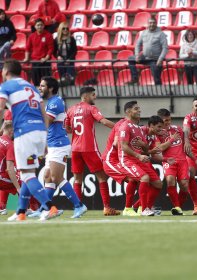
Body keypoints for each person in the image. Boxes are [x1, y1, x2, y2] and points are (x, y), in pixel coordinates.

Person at [0, 59, 61, 221]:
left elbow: (0, 109)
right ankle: (21, 211)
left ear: (5, 72)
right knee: (29, 172)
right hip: (40, 133)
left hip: (24, 134)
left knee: (26, 174)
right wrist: (45, 139)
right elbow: (43, 112)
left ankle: (50, 207)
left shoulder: (6, 86)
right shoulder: (32, 88)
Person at [37, 76, 87, 219]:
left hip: (59, 144)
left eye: (42, 86)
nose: (40, 88)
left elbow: (47, 121)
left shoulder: (56, 102)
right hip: (53, 144)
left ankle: (79, 206)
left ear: (51, 88)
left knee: (55, 176)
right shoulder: (51, 102)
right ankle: (44, 209)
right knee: (47, 177)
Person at [65, 86, 119, 216]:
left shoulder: (71, 110)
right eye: (93, 95)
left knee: (77, 179)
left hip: (75, 149)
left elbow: (67, 129)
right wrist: (119, 127)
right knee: (102, 177)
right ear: (85, 96)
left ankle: (77, 208)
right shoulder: (91, 108)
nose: (95, 97)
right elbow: (103, 121)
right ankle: (106, 207)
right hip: (89, 148)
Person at [157, 108, 197, 215]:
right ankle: (177, 207)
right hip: (169, 161)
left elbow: (186, 148)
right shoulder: (157, 133)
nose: (168, 122)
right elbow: (159, 148)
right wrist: (171, 140)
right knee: (170, 180)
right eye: (166, 121)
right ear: (160, 121)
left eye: (169, 120)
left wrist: (195, 159)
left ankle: (178, 208)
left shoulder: (178, 129)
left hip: (182, 161)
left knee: (184, 185)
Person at [118, 101, 163, 216]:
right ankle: (142, 209)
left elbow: (145, 147)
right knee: (144, 177)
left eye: (139, 108)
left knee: (158, 183)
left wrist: (144, 147)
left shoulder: (138, 128)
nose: (139, 110)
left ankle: (137, 207)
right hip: (127, 160)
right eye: (136, 109)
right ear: (128, 111)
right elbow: (123, 146)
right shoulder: (125, 126)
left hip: (139, 159)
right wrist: (139, 155)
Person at [128, 17, 168, 85]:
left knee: (156, 78)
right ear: (148, 24)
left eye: (153, 23)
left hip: (155, 59)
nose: (152, 24)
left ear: (156, 24)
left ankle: (160, 92)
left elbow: (165, 48)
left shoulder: (161, 34)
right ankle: (135, 78)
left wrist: (160, 59)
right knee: (131, 59)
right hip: (145, 57)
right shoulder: (144, 33)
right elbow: (138, 44)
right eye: (150, 23)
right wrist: (137, 55)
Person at [23, 18, 54, 87]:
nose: (39, 26)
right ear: (35, 26)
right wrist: (26, 57)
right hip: (35, 62)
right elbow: (27, 48)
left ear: (44, 26)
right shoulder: (31, 36)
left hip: (45, 62)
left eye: (41, 25)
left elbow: (51, 49)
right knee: (36, 81)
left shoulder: (48, 35)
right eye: (38, 25)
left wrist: (46, 58)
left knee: (46, 82)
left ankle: (46, 96)